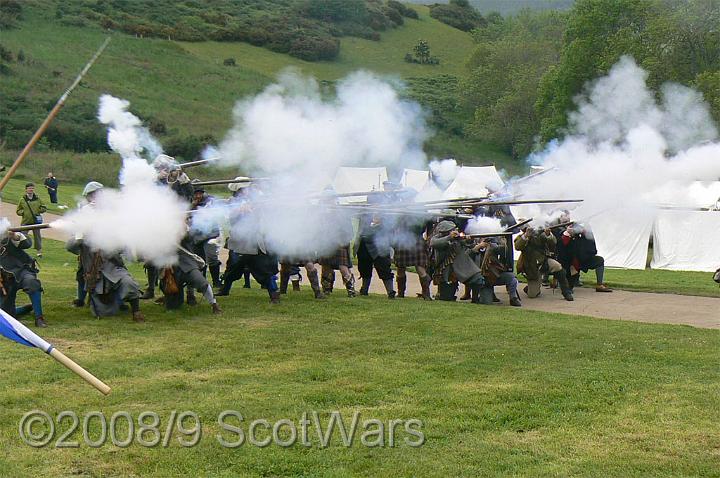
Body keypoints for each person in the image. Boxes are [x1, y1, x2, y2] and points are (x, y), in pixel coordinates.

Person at [66, 182, 145, 322]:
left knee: (129, 283)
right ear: (88, 197)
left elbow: (122, 243)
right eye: (92, 195)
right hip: (94, 271)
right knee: (103, 312)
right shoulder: (81, 216)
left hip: (112, 265)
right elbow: (70, 246)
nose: (95, 198)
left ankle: (136, 312)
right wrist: (80, 238)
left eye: (98, 194)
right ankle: (85, 299)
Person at [159, 229, 222, 314]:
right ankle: (170, 300)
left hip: (187, 263)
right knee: (170, 295)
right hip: (168, 264)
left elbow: (189, 238)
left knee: (201, 282)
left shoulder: (187, 230)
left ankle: (214, 304)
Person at [354, 181, 398, 298]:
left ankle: (390, 292)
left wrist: (379, 221)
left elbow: (389, 226)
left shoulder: (386, 212)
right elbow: (355, 214)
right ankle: (364, 289)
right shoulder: (364, 211)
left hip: (379, 243)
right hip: (364, 243)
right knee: (364, 267)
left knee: (384, 268)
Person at [429, 220, 486, 303]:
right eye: (451, 230)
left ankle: (475, 299)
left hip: (462, 266)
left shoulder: (458, 237)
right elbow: (434, 243)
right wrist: (450, 237)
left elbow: (469, 245)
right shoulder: (436, 238)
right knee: (446, 298)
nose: (454, 231)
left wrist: (468, 240)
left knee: (478, 280)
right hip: (447, 271)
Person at [515, 224, 574, 301]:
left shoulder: (541, 235)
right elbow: (517, 246)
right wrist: (526, 235)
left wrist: (548, 234)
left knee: (558, 267)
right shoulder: (521, 237)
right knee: (532, 295)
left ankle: (566, 292)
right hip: (531, 267)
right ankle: (530, 288)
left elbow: (553, 241)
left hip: (544, 262)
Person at [0, 231, 47, 327]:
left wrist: (15, 236)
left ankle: (39, 318)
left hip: (22, 271)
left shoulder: (7, 237)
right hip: (4, 280)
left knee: (31, 283)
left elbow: (27, 243)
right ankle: (25, 309)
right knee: (6, 316)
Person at [555, 221, 613, 293]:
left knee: (599, 260)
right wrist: (567, 233)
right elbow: (562, 245)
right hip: (569, 262)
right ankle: (565, 285)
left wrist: (582, 231)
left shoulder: (581, 232)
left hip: (583, 259)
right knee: (568, 282)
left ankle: (599, 285)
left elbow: (591, 246)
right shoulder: (561, 232)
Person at [471, 235, 522, 307]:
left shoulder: (493, 246)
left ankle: (513, 298)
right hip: (482, 280)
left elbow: (503, 250)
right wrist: (478, 247)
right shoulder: (473, 246)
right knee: (486, 303)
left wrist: (503, 243)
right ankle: (484, 295)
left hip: (494, 275)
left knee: (511, 278)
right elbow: (467, 255)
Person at [16, 183, 47, 257]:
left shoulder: (38, 198)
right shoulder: (22, 200)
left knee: (37, 237)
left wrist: (39, 211)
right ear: (26, 189)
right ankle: (20, 250)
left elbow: (44, 207)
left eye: (32, 188)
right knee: (22, 236)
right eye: (29, 188)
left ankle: (39, 252)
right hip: (26, 222)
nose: (31, 189)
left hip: (35, 222)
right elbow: (18, 211)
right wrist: (23, 212)